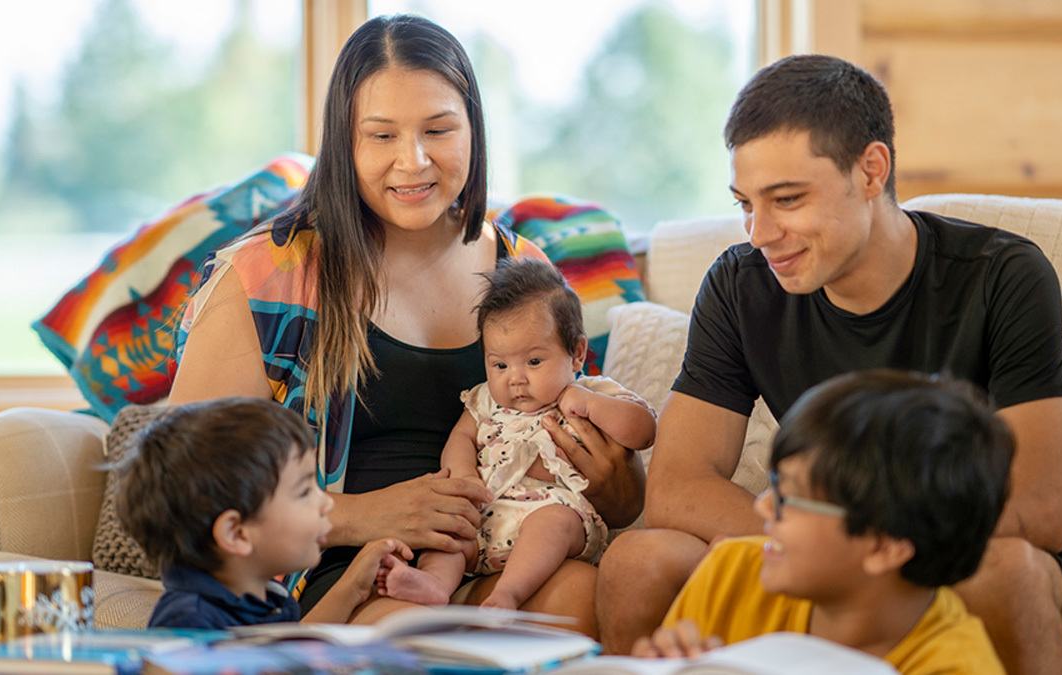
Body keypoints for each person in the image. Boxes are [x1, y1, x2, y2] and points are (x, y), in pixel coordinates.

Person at [595, 54, 1062, 673]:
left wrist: (856, 548)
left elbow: (1038, 512)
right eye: (744, 204)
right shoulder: (741, 285)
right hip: (811, 544)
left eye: (786, 199)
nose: (759, 233)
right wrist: (814, 546)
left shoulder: (1003, 276)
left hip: (952, 551)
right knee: (637, 561)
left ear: (871, 170)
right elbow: (678, 489)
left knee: (1006, 572)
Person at [167, 14, 643, 634]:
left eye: (438, 129)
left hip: (501, 545)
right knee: (419, 637)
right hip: (344, 568)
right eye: (381, 136)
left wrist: (615, 480)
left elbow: (612, 478)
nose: (412, 161)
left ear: (474, 130)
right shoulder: (269, 275)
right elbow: (185, 489)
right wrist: (363, 515)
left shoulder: (524, 271)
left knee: (580, 594)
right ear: (346, 143)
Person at [633, 370, 1010, 674]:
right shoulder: (729, 573)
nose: (763, 508)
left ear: (883, 546)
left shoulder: (956, 666)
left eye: (788, 498)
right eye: (773, 485)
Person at [376, 258, 656, 610]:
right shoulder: (484, 399)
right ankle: (433, 585)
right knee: (449, 534)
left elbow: (643, 431)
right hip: (486, 515)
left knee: (554, 524)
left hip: (554, 510)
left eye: (534, 362)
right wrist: (463, 475)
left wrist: (590, 404)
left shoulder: (591, 392)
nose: (515, 378)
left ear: (577, 354)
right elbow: (461, 438)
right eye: (500, 365)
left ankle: (508, 593)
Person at [115, 397, 415, 629]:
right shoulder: (189, 620)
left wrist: (353, 587)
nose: (326, 504)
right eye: (304, 492)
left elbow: (289, 649)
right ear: (237, 533)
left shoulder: (265, 595)